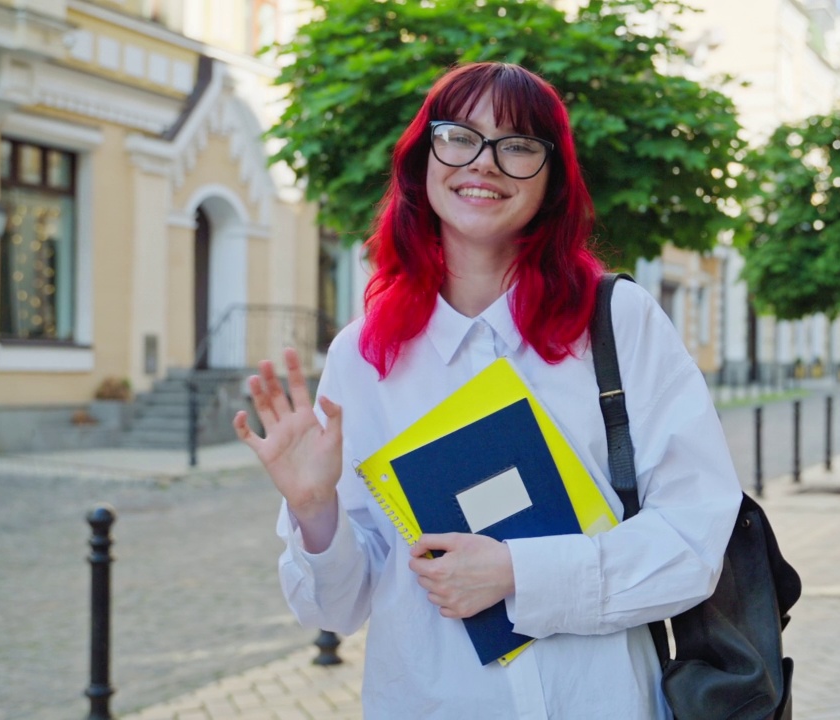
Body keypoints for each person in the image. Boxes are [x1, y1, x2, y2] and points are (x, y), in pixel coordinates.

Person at [234, 62, 741, 719]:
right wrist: (314, 513)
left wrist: (518, 576)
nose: (485, 163)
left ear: (553, 178)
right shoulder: (364, 356)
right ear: (422, 159)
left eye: (519, 145)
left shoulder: (619, 322)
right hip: (428, 701)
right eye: (459, 136)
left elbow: (694, 539)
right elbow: (335, 607)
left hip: (602, 700)